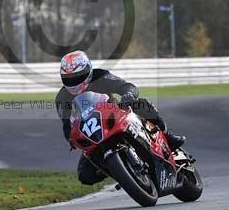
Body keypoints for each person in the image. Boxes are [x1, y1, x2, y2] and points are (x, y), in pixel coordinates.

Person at [55, 50, 186, 185]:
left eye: (77, 76)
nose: (73, 81)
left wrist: (128, 94)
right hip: (93, 133)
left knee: (140, 103)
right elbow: (66, 125)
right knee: (85, 175)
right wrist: (71, 139)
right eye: (68, 78)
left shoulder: (100, 76)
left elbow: (127, 86)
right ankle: (119, 170)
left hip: (115, 115)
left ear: (88, 70)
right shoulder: (62, 98)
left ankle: (168, 135)